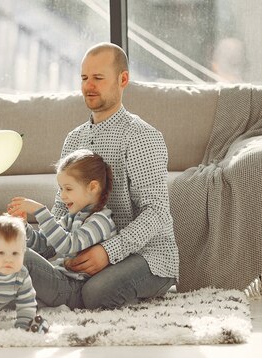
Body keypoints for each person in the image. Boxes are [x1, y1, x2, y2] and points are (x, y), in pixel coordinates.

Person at [13, 42, 179, 310]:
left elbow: (157, 212)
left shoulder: (142, 137)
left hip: (149, 257)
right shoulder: (74, 139)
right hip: (82, 250)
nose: (89, 85)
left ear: (122, 79)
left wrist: (108, 252)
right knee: (9, 254)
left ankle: (58, 291)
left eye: (98, 78)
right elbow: (61, 211)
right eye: (84, 78)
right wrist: (26, 236)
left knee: (95, 293)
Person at [8, 149, 117, 307]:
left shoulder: (101, 221)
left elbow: (68, 245)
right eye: (60, 189)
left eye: (68, 189)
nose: (62, 195)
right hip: (61, 281)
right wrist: (23, 226)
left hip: (74, 289)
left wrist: (40, 211)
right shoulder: (72, 217)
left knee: (21, 256)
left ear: (93, 187)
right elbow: (43, 245)